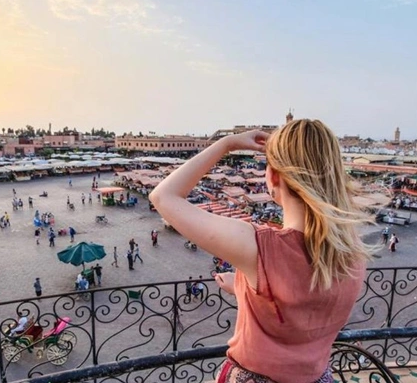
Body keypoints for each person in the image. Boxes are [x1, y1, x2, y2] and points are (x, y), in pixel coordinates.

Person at [150, 120, 370, 383]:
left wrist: (226, 143)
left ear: (274, 176)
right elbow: (300, 303)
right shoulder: (353, 252)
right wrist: (242, 286)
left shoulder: (261, 247)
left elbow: (163, 196)